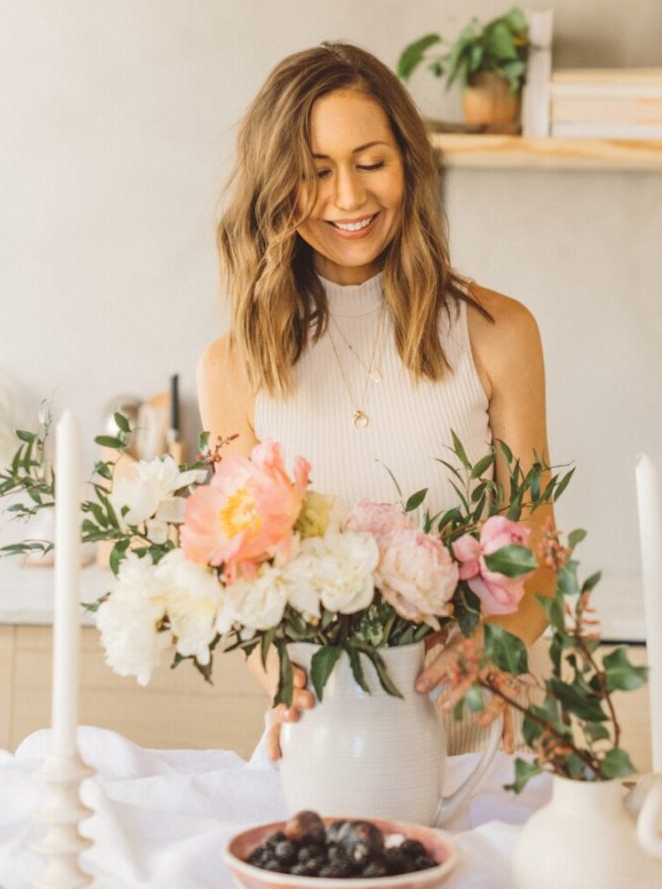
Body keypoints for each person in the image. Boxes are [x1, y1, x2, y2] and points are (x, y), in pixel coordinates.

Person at [197, 41, 555, 760]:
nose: (350, 198)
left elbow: (538, 557)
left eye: (370, 163)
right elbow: (241, 580)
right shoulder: (234, 365)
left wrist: (482, 653)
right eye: (315, 172)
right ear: (275, 185)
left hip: (474, 722)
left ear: (408, 165)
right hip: (323, 730)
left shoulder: (498, 333)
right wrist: (283, 682)